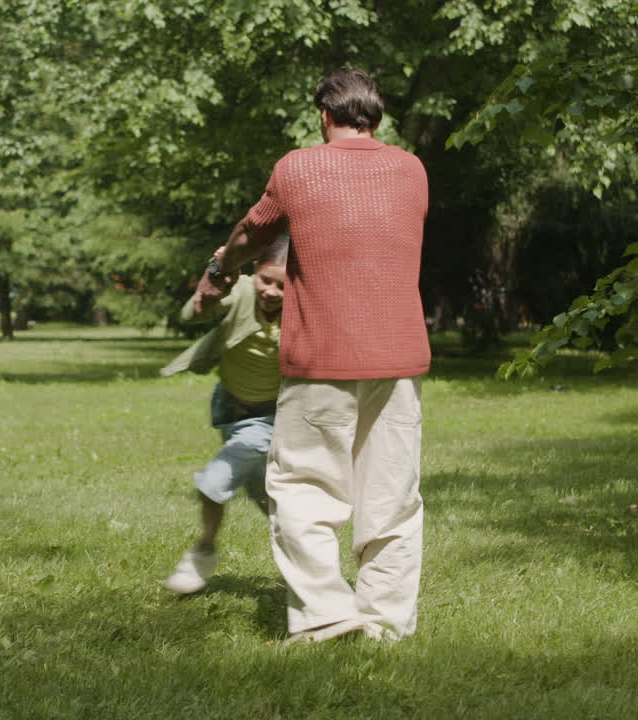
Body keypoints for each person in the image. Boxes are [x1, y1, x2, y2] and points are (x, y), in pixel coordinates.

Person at [196, 68, 430, 642]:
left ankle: (327, 614)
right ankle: (386, 624)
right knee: (393, 496)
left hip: (322, 356)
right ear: (377, 116)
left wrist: (216, 275)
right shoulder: (412, 169)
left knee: (303, 487)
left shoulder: (299, 167)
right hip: (398, 359)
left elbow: (251, 236)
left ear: (324, 115)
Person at [161, 237, 289, 595]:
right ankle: (307, 568)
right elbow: (191, 315)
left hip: (270, 418)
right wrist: (215, 285)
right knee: (268, 500)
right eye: (267, 280)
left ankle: (201, 553)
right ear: (254, 273)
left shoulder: (304, 312)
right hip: (231, 409)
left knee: (213, 484)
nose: (273, 292)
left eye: (284, 286)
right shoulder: (243, 291)